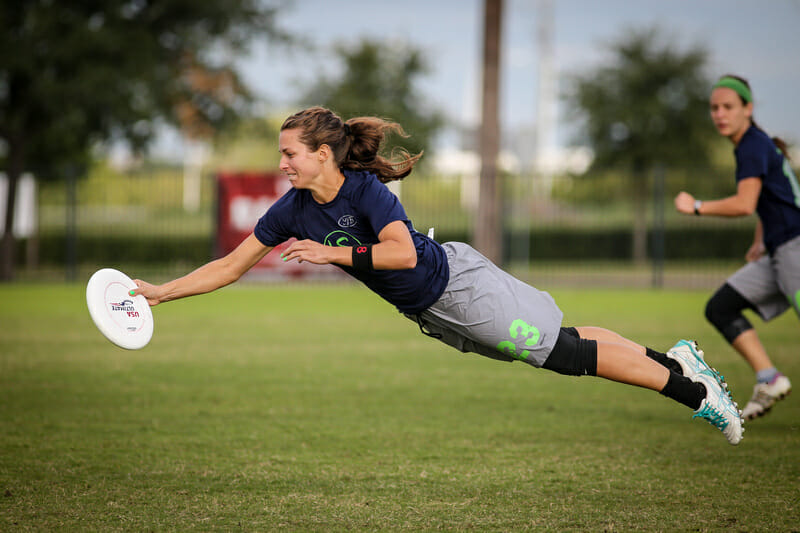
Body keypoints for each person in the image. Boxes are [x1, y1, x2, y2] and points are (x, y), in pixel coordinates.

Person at [132, 106, 744, 444]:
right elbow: (230, 265)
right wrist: (163, 293)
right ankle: (678, 359)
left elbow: (398, 254)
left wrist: (333, 255)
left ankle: (695, 393)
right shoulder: (292, 209)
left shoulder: (365, 191)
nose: (283, 161)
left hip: (457, 286)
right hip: (437, 308)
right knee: (566, 338)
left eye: (290, 152)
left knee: (565, 355)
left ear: (323, 154)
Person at [675, 74, 798, 421]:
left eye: (728, 106)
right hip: (779, 250)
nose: (720, 114)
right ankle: (769, 378)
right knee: (720, 307)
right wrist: (761, 239)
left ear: (748, 108)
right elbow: (774, 201)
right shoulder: (753, 145)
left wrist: (696, 206)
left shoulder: (752, 145)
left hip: (795, 249)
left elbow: (745, 203)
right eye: (714, 108)